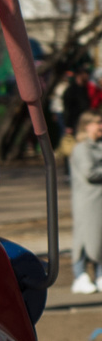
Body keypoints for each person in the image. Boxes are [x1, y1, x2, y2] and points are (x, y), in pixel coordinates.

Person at [74, 110, 102, 294]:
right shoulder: (82, 148)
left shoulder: (98, 146)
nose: (101, 127)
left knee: (99, 238)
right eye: (98, 123)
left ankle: (98, 274)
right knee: (86, 238)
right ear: (87, 125)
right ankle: (80, 275)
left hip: (98, 199)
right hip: (88, 200)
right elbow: (89, 173)